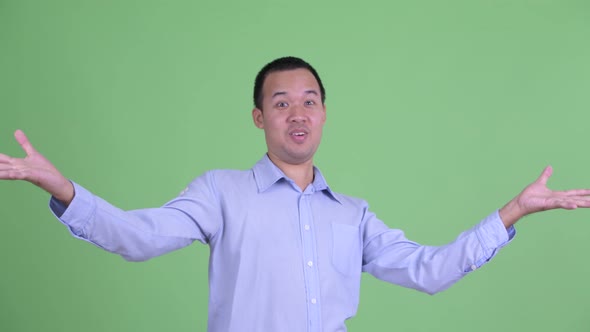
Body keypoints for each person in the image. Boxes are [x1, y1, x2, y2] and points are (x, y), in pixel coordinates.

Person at [1, 56, 590, 332]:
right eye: (281, 103)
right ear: (259, 118)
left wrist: (514, 212)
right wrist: (61, 187)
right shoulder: (221, 193)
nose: (297, 113)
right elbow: (138, 238)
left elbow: (430, 270)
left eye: (309, 100)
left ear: (326, 113)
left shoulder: (354, 216)